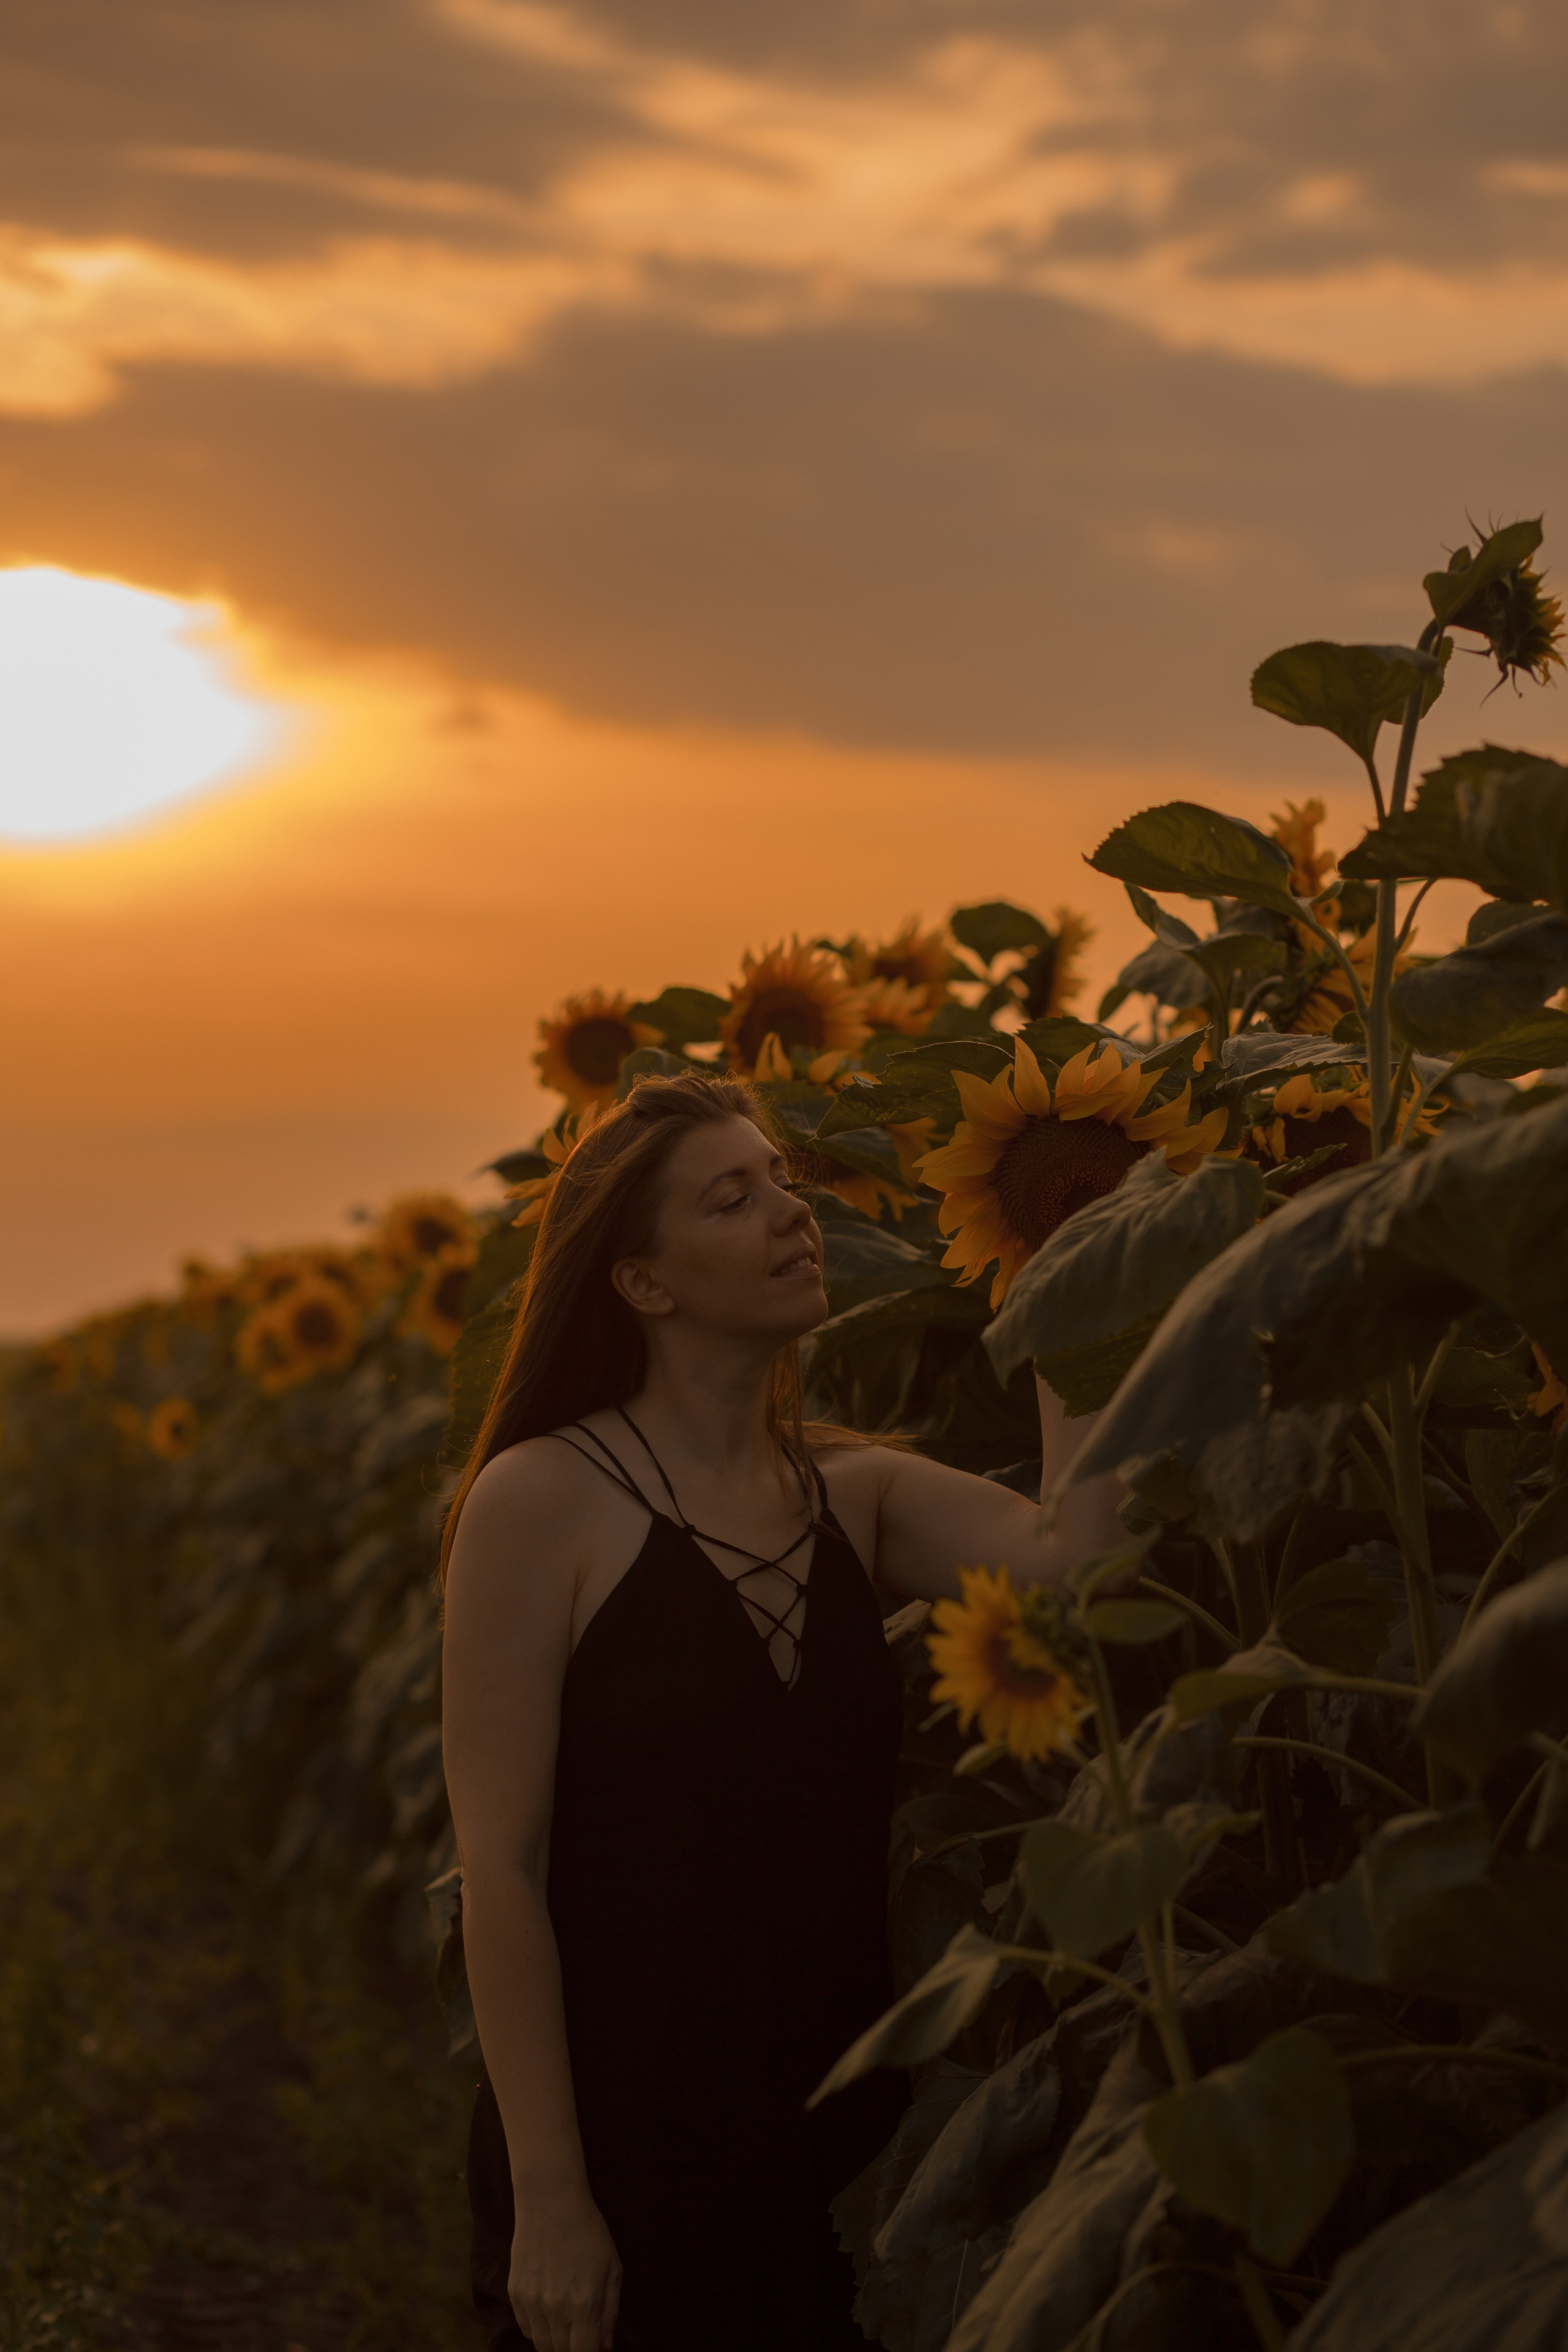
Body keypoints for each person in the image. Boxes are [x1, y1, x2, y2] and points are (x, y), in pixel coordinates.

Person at [440, 1070, 1125, 2352]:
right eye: (731, 1197)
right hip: (622, 2147)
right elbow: (502, 1868)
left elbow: (1077, 1558)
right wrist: (551, 2197)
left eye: (785, 1185)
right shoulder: (540, 1502)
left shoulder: (852, 1496)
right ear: (641, 1283)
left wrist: (1059, 1256)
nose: (789, 1215)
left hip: (827, 2140)